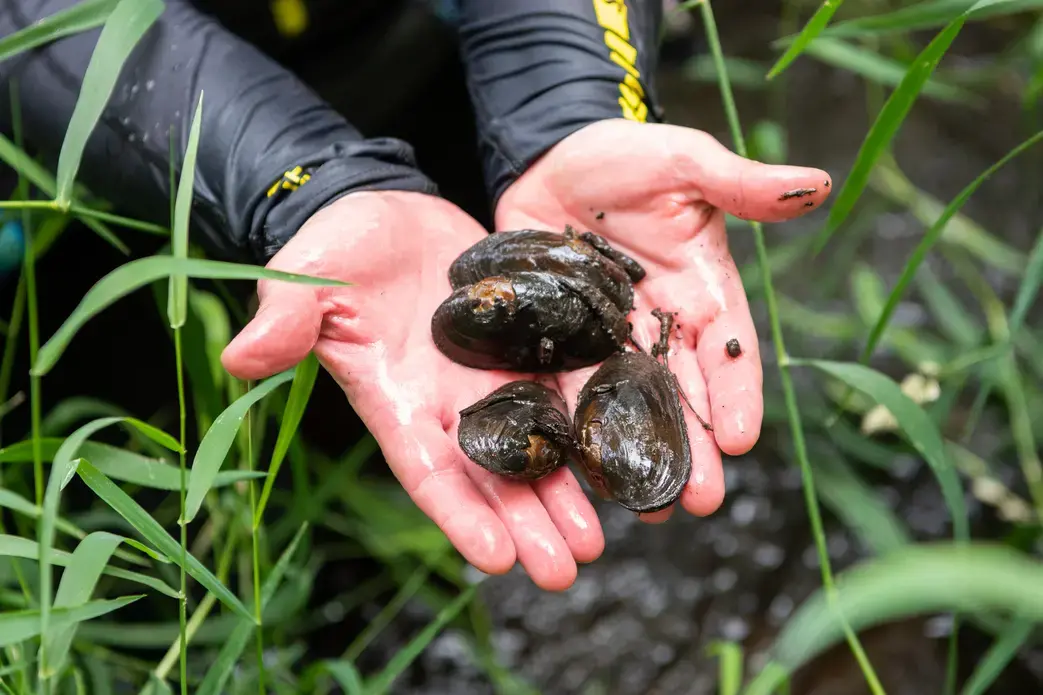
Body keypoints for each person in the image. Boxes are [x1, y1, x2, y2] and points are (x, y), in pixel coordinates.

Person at [0, 0, 831, 592]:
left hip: (416, 52)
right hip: (94, 152)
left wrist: (562, 106)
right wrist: (299, 186)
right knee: (146, 493)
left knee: (405, 410)